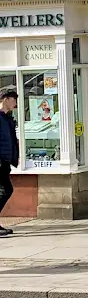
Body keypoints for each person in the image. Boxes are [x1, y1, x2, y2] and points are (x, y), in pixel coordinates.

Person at [0, 90, 18, 237]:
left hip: (5, 160)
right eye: (13, 99)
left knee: (5, 190)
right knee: (6, 190)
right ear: (5, 99)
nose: (15, 103)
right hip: (0, 161)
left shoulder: (7, 118)